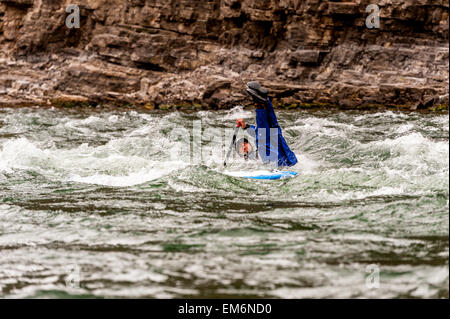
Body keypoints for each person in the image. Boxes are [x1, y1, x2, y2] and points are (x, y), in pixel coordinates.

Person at [236, 81, 298, 167]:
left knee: (265, 134)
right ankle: (263, 101)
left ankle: (261, 103)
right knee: (272, 128)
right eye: (241, 147)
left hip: (281, 158)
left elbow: (256, 132)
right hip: (285, 159)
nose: (243, 147)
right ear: (239, 153)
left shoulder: (254, 158)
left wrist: (245, 126)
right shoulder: (250, 159)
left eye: (244, 144)